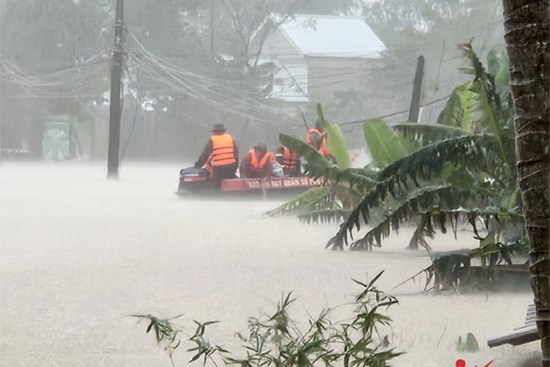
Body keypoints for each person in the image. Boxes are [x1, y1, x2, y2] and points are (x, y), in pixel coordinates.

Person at [194, 123, 238, 189]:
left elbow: (205, 154)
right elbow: (236, 154)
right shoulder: (230, 139)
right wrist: (235, 167)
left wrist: (198, 165)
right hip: (231, 167)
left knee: (215, 183)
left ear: (215, 132)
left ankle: (216, 196)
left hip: (219, 169)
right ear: (224, 131)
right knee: (232, 178)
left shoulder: (213, 139)